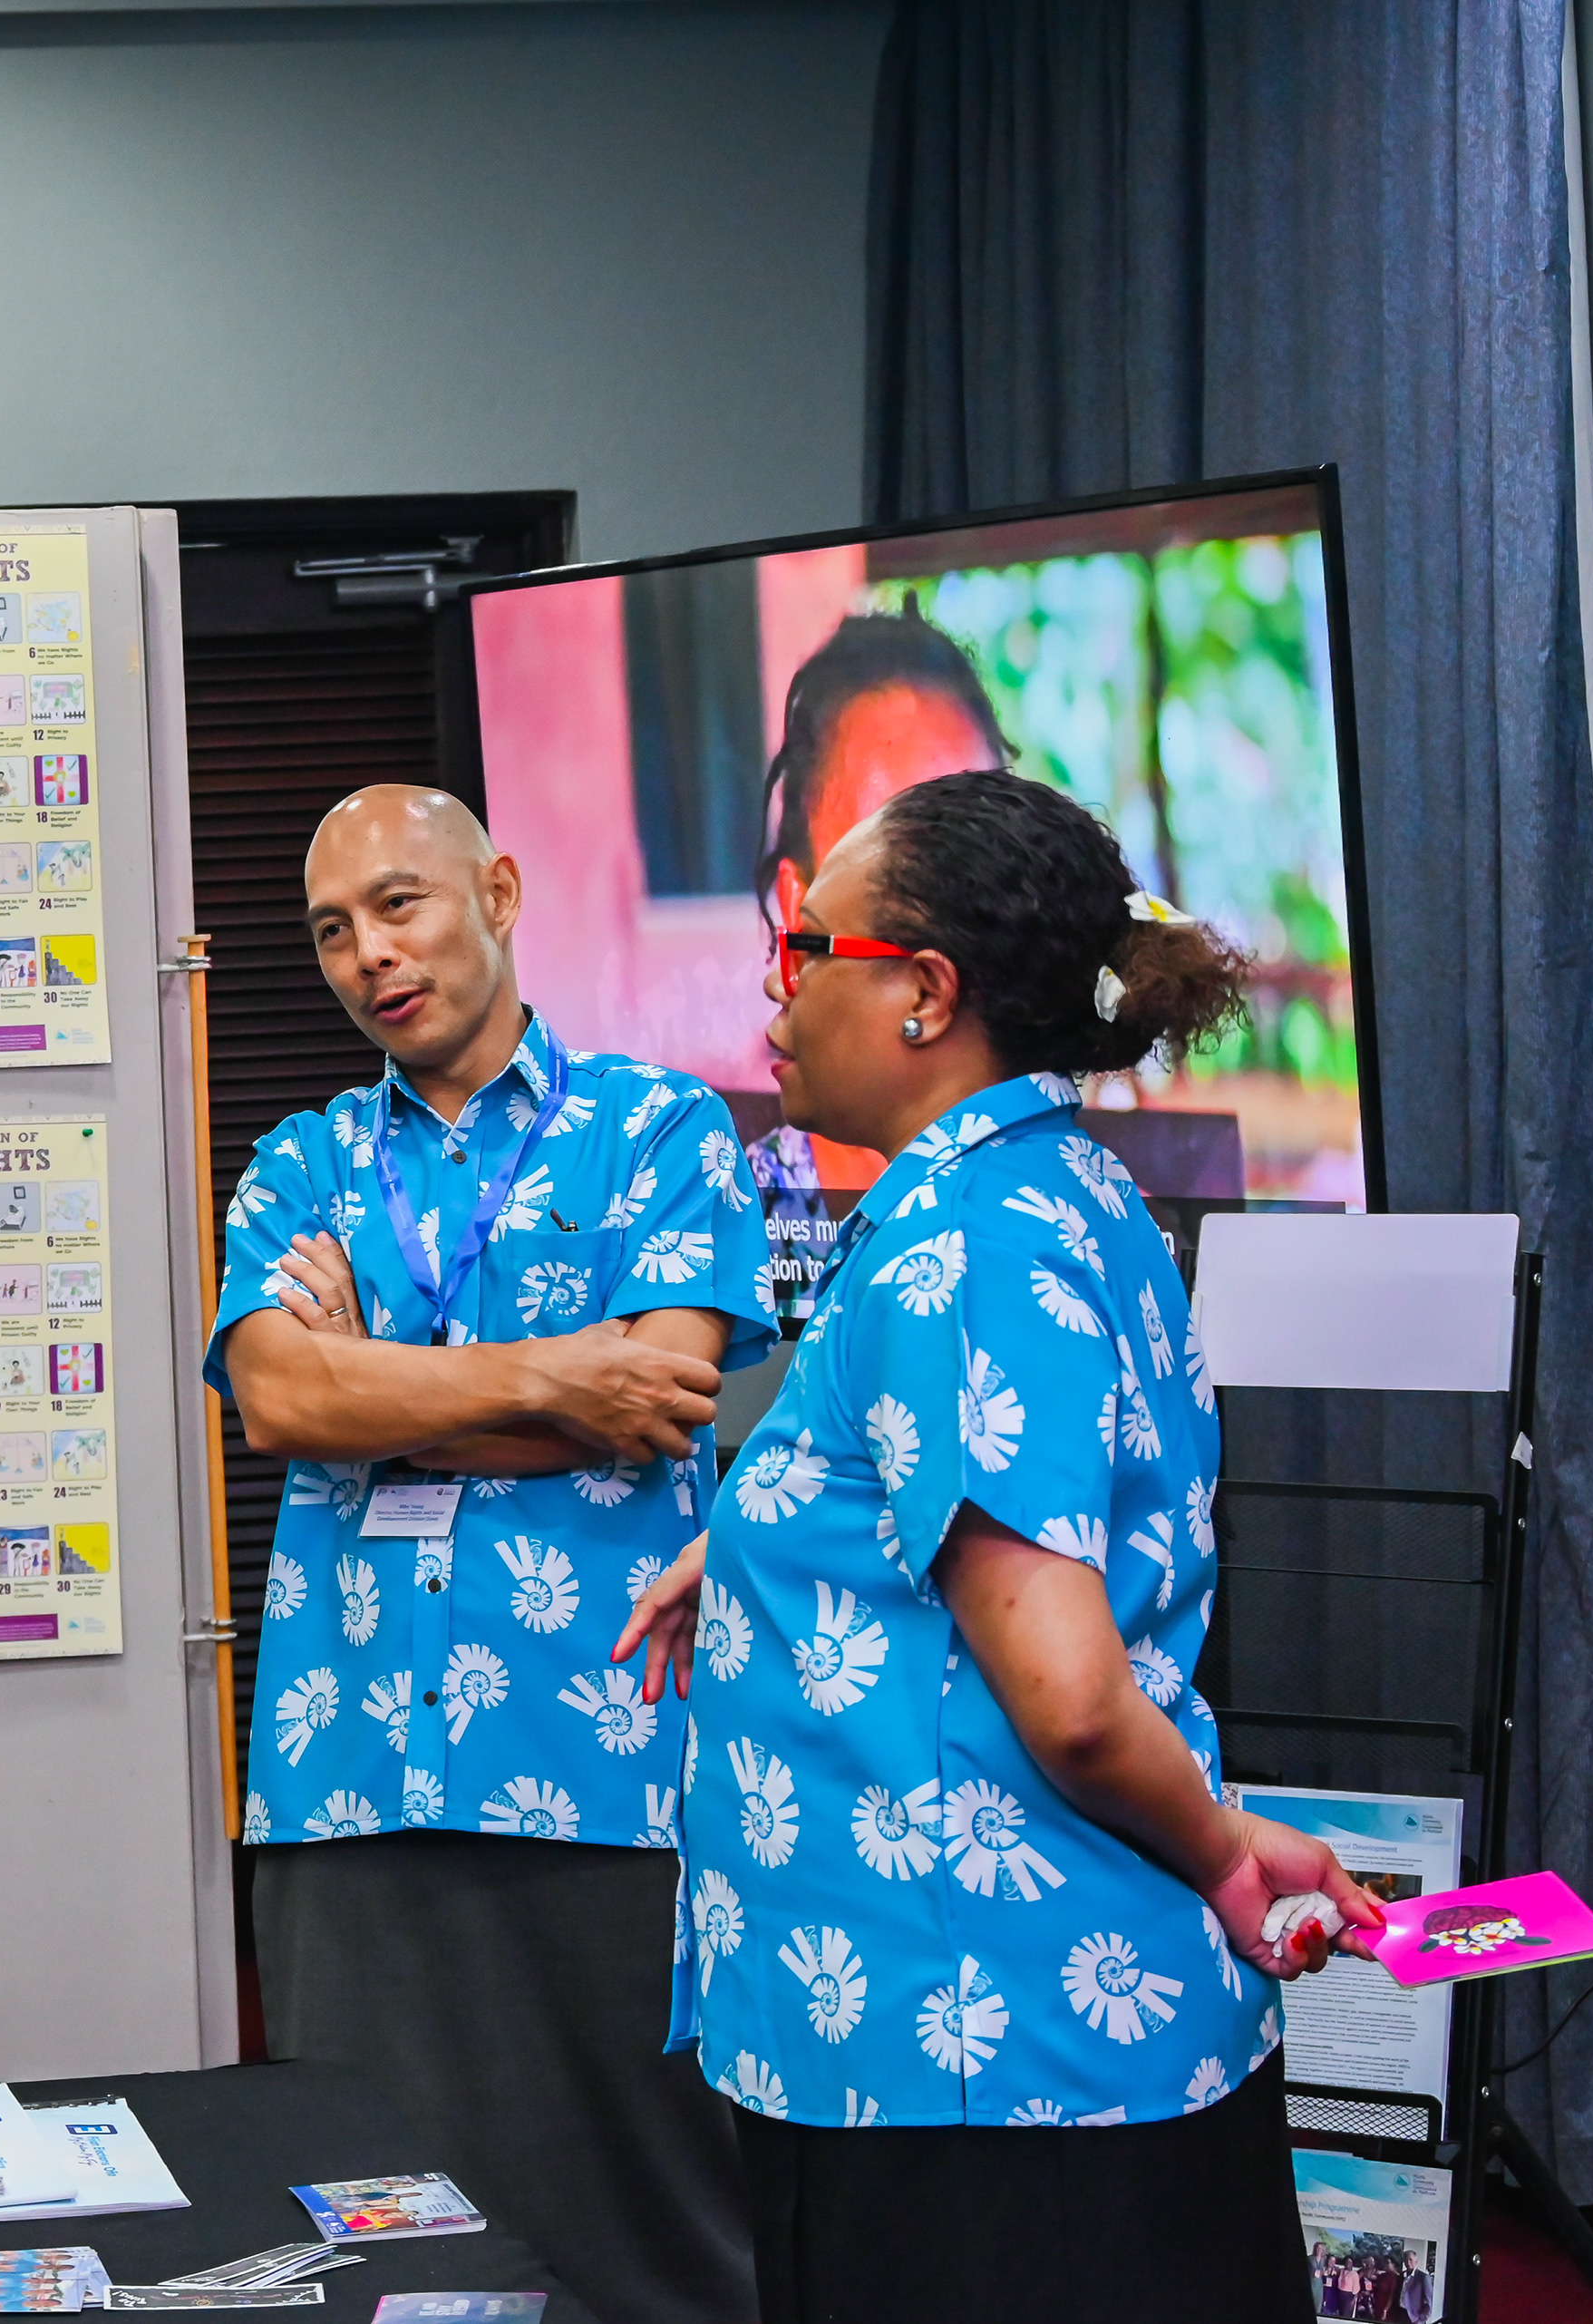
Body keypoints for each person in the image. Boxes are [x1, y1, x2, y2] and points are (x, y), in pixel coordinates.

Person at [616, 770, 1383, 2324]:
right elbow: (982, 1531)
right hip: (1031, 2051)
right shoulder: (1060, 1186)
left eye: (799, 949)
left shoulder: (960, 1249)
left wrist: (1229, 1856)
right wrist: (759, 1556)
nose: (773, 996)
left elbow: (1073, 1696)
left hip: (974, 2080)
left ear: (922, 991)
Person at [210, 783, 777, 2323]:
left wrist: (378, 1386)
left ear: (500, 892)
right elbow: (275, 1394)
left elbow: (657, 1394)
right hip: (349, 1765)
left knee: (652, 2220)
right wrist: (548, 1375)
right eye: (333, 929)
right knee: (369, 2223)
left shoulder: (660, 1127)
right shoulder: (303, 1158)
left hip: (608, 1750)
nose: (367, 955)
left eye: (399, 904)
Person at [745, 606, 1013, 1211]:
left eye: (979, 846)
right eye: (892, 864)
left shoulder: (1084, 1213)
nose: (954, 908)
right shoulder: (728, 1230)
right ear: (797, 915)